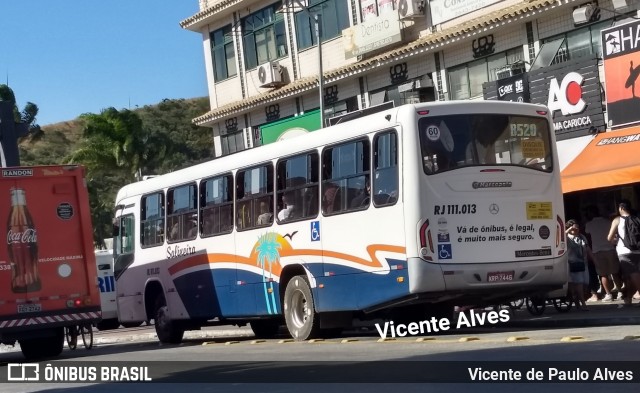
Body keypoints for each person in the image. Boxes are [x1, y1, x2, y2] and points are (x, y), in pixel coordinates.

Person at [584, 205, 624, 301]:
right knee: (614, 272)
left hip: (598, 251)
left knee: (603, 274)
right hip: (610, 249)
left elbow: (587, 233)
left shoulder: (589, 224)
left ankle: (608, 294)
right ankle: (620, 292)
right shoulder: (608, 222)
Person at [607, 200, 640, 306]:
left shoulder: (617, 220)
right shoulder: (637, 218)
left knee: (632, 275)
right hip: (638, 250)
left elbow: (609, 237)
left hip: (624, 251)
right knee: (632, 275)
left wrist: (615, 241)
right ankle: (629, 298)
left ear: (621, 208)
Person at [566, 219, 592, 311]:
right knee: (579, 284)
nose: (576, 230)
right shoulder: (567, 238)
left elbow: (587, 249)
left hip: (583, 264)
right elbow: (561, 237)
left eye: (577, 228)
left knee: (585, 284)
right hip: (573, 264)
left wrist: (594, 260)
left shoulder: (582, 237)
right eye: (574, 229)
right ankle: (583, 304)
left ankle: (577, 301)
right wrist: (569, 230)